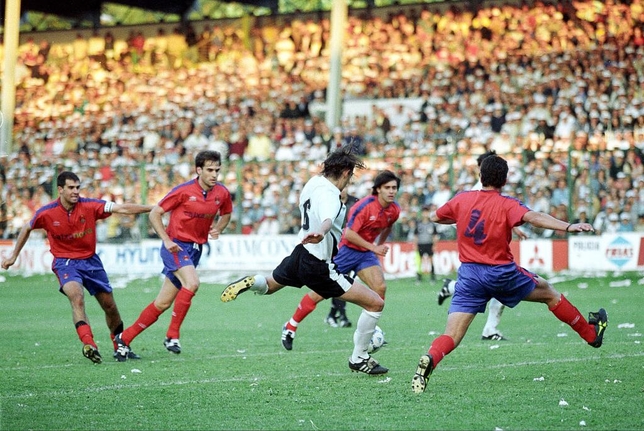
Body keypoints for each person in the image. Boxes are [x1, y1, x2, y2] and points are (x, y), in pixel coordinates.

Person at [411, 155, 608, 394]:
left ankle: (431, 357)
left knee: (451, 334)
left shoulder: (462, 199)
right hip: (501, 273)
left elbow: (435, 217)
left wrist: (459, 217)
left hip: (470, 275)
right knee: (549, 293)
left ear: (480, 176)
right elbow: (534, 217)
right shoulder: (507, 204)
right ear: (504, 180)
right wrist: (568, 226)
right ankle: (591, 335)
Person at [220, 149, 389, 375]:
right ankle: (359, 358)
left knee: (269, 286)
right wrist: (320, 232)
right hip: (318, 262)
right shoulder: (331, 195)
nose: (348, 183)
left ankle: (252, 282)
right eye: (349, 178)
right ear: (346, 172)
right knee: (375, 303)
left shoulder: (312, 183)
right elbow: (328, 220)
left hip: (300, 253)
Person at [1, 171, 153, 364]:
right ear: (60, 189)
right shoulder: (46, 212)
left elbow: (122, 208)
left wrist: (154, 207)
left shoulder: (90, 205)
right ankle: (89, 344)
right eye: (71, 188)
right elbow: (26, 228)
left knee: (109, 306)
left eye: (77, 187)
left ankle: (120, 345)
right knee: (77, 297)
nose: (75, 191)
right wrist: (14, 255)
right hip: (65, 262)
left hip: (91, 261)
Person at [114, 150, 233, 361]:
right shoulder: (183, 191)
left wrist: (219, 228)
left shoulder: (221, 193)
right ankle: (172, 336)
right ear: (198, 170)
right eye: (209, 170)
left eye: (217, 170)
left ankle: (124, 339)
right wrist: (166, 240)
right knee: (193, 283)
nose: (214, 174)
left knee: (162, 303)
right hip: (176, 247)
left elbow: (226, 212)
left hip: (195, 249)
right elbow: (155, 213)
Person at [281, 170, 401, 351]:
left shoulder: (395, 210)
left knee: (380, 288)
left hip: (365, 253)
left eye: (394, 188)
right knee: (318, 294)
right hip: (345, 251)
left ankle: (368, 331)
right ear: (377, 190)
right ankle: (291, 325)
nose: (392, 191)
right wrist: (374, 247)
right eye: (387, 188)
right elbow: (349, 234)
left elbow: (386, 227)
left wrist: (377, 245)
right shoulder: (364, 206)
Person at [437, 150, 528, 341]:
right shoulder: (478, 190)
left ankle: (488, 326)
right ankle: (489, 328)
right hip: (480, 245)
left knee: (488, 285)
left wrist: (514, 227)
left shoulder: (485, 187)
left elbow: (497, 213)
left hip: (481, 244)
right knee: (495, 284)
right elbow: (466, 217)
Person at [324, 188, 359, 328]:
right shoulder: (330, 202)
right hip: (335, 245)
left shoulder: (355, 202)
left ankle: (333, 314)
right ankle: (342, 315)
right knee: (340, 279)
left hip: (351, 246)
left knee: (345, 280)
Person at [414, 205, 439, 283]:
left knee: (431, 260)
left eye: (426, 212)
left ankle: (432, 277)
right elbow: (416, 235)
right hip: (421, 244)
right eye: (424, 212)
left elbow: (434, 236)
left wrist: (434, 245)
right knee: (420, 261)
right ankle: (419, 277)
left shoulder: (432, 224)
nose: (425, 214)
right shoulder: (418, 224)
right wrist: (415, 245)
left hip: (429, 244)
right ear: (422, 213)